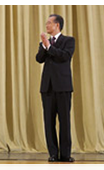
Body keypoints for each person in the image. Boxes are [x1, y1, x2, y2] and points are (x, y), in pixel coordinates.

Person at [36, 14, 75, 162]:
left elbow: (64, 56)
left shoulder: (69, 41)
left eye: (49, 23)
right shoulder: (45, 43)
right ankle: (53, 153)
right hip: (47, 88)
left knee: (64, 121)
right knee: (49, 121)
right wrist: (44, 47)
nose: (46, 26)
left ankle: (65, 154)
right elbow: (39, 59)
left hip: (63, 87)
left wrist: (49, 47)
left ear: (57, 25)